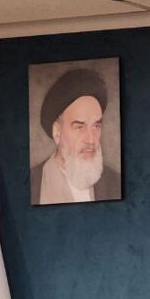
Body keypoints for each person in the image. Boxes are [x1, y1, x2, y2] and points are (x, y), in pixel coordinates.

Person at [30, 67, 121, 205]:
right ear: (57, 132)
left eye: (96, 126)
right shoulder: (32, 183)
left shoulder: (115, 183)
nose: (91, 140)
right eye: (79, 127)